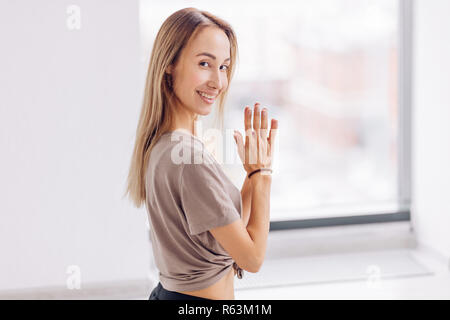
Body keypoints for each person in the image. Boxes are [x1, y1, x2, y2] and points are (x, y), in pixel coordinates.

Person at [124, 7, 278, 300]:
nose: (218, 82)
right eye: (205, 63)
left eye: (223, 67)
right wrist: (263, 176)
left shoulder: (165, 144)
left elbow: (226, 224)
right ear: (170, 63)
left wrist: (252, 173)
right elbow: (252, 258)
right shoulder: (187, 159)